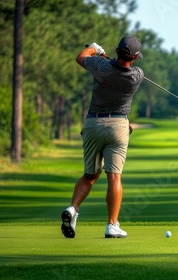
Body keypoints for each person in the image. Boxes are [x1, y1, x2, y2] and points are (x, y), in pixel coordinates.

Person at [61, 35, 144, 238]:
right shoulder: (137, 75)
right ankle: (111, 224)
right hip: (118, 126)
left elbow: (80, 57)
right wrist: (106, 57)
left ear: (117, 50)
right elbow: (122, 67)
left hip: (93, 124)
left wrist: (93, 49)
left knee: (90, 175)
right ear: (135, 57)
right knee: (114, 176)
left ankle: (73, 209)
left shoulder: (100, 66)